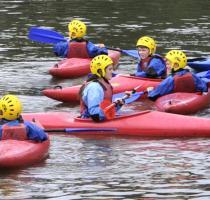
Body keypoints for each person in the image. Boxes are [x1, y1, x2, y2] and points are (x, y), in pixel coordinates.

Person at [79, 55, 124, 122]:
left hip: (101, 118)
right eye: (110, 69)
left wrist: (117, 104)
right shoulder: (94, 87)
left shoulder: (103, 83)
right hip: (90, 120)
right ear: (100, 71)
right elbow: (95, 115)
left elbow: (104, 110)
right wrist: (112, 107)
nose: (112, 71)